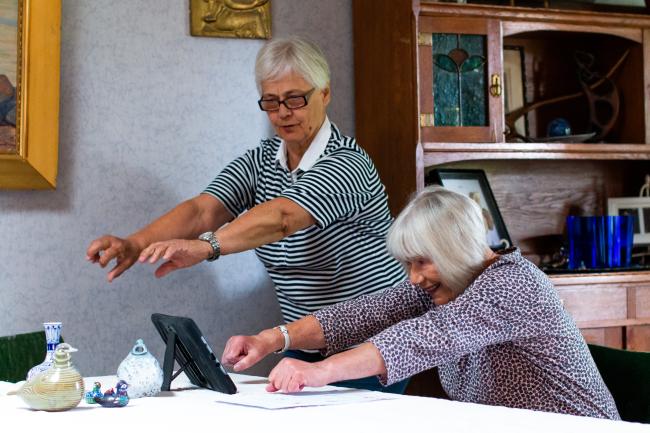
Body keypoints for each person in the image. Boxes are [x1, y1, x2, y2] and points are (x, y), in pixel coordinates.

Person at [85, 36, 407, 393]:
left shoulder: (348, 163)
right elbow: (203, 209)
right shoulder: (262, 160)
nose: (283, 112)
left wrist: (207, 247)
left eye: (296, 99)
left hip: (374, 341)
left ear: (325, 94)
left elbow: (282, 217)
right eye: (271, 102)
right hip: (305, 341)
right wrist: (136, 243)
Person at [221, 186, 620, 419]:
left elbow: (421, 338)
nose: (414, 277)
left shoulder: (513, 285)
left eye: (421, 261)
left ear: (456, 247)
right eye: (409, 263)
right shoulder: (448, 284)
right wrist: (271, 339)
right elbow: (363, 314)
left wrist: (317, 372)